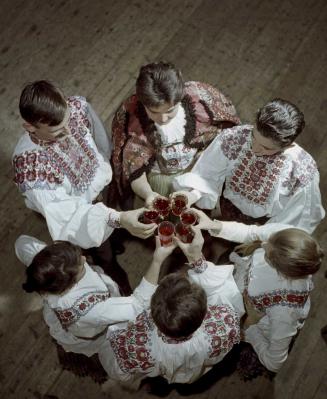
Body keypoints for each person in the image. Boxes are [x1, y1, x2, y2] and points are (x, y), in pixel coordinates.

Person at [13, 80, 156, 294]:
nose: (69, 134)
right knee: (100, 244)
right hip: (81, 208)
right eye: (58, 132)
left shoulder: (76, 107)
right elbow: (73, 219)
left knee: (115, 210)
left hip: (101, 183)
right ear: (30, 127)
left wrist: (109, 166)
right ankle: (109, 264)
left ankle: (116, 237)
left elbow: (98, 138)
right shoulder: (32, 169)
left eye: (68, 122)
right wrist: (114, 219)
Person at [98, 228, 244, 388]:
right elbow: (223, 290)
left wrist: (157, 260)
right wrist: (196, 258)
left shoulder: (135, 344)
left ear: (152, 312)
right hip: (194, 368)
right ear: (204, 310)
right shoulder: (224, 324)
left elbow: (115, 367)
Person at [193, 209, 324, 372]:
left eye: (266, 253)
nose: (261, 244)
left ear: (281, 271)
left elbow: (275, 363)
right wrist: (214, 225)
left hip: (252, 320)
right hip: (240, 285)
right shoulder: (289, 238)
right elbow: (252, 233)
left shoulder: (285, 310)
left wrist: (250, 329)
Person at [173, 98, 325, 232]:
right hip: (228, 204)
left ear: (288, 146)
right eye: (254, 137)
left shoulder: (302, 170)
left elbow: (298, 218)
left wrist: (261, 239)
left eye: (267, 148)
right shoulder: (234, 138)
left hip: (264, 223)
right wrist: (191, 194)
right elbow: (208, 175)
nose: (254, 150)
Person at [110, 61, 240, 207]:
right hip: (157, 180)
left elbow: (224, 139)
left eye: (170, 110)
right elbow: (132, 170)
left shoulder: (202, 105)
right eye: (154, 112)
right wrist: (148, 194)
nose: (163, 119)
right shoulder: (133, 122)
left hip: (198, 172)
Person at [15, 234, 168, 357]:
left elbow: (22, 243)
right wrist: (157, 260)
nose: (83, 258)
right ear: (71, 283)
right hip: (98, 328)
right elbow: (138, 305)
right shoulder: (90, 309)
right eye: (81, 265)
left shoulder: (50, 265)